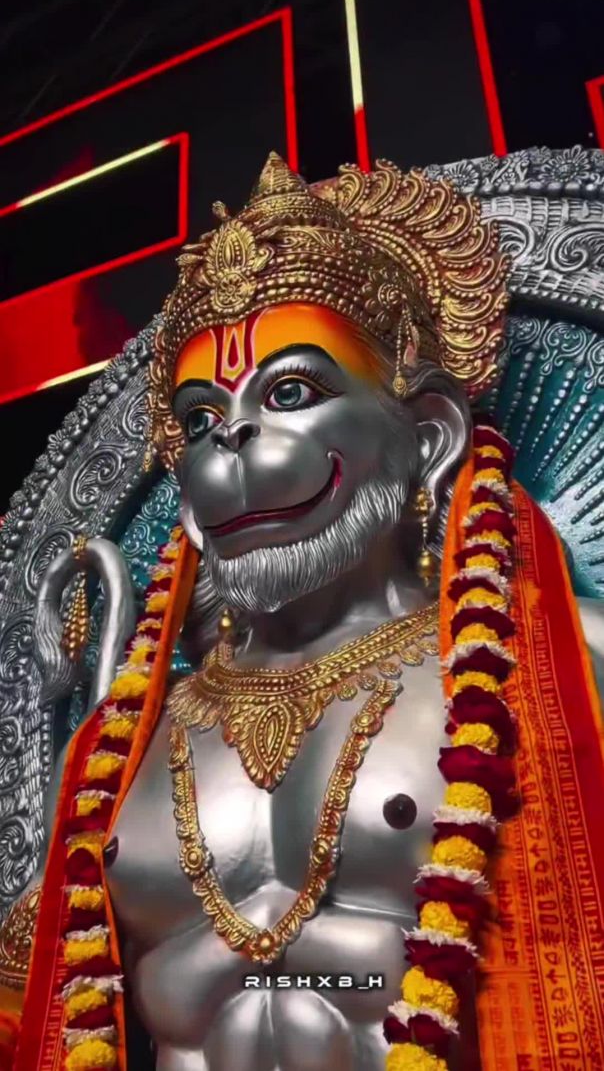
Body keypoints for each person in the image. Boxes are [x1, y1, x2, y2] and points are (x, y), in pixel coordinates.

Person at [4, 154, 603, 1070]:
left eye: (289, 392)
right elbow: (33, 994)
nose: (233, 439)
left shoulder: (561, 669)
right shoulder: (115, 750)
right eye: (200, 419)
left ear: (430, 433)